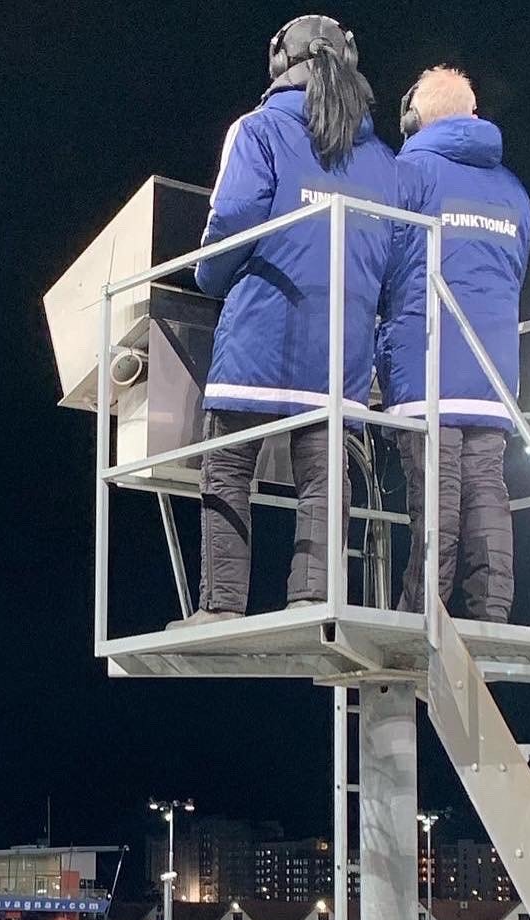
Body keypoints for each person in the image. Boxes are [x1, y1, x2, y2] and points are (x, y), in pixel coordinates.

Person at [170, 14, 400, 628]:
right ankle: (313, 600)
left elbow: (232, 220)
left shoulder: (259, 130)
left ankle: (220, 606)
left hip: (259, 336)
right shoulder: (384, 160)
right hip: (341, 354)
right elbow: (395, 259)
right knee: (325, 480)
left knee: (227, 468)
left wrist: (208, 278)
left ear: (280, 61)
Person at [378, 67, 530, 623]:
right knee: (487, 488)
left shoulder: (407, 174)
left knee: (435, 495)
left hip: (427, 361)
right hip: (493, 371)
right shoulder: (514, 189)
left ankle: (424, 616)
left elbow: (379, 259)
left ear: (415, 118)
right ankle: (491, 615)